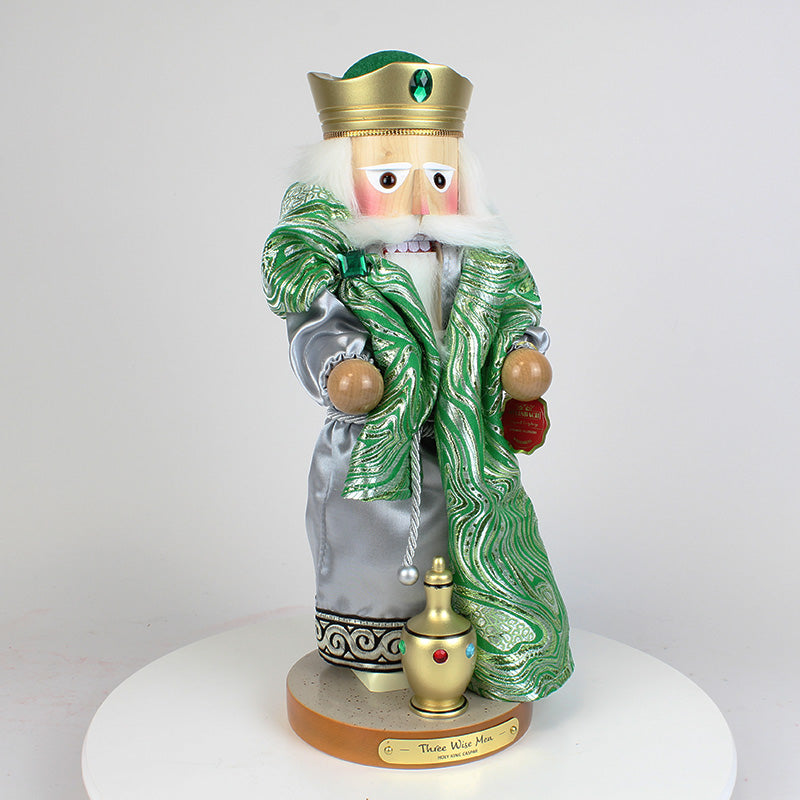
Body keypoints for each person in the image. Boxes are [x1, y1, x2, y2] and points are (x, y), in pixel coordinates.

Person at [262, 51, 572, 702]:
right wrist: (344, 367)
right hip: (379, 441)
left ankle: (477, 644)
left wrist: (518, 360)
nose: (416, 198)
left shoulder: (483, 266)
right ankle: (375, 648)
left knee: (462, 547)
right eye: (387, 177)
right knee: (375, 547)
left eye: (436, 177)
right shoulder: (339, 263)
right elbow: (315, 323)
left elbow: (512, 318)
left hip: (464, 439)